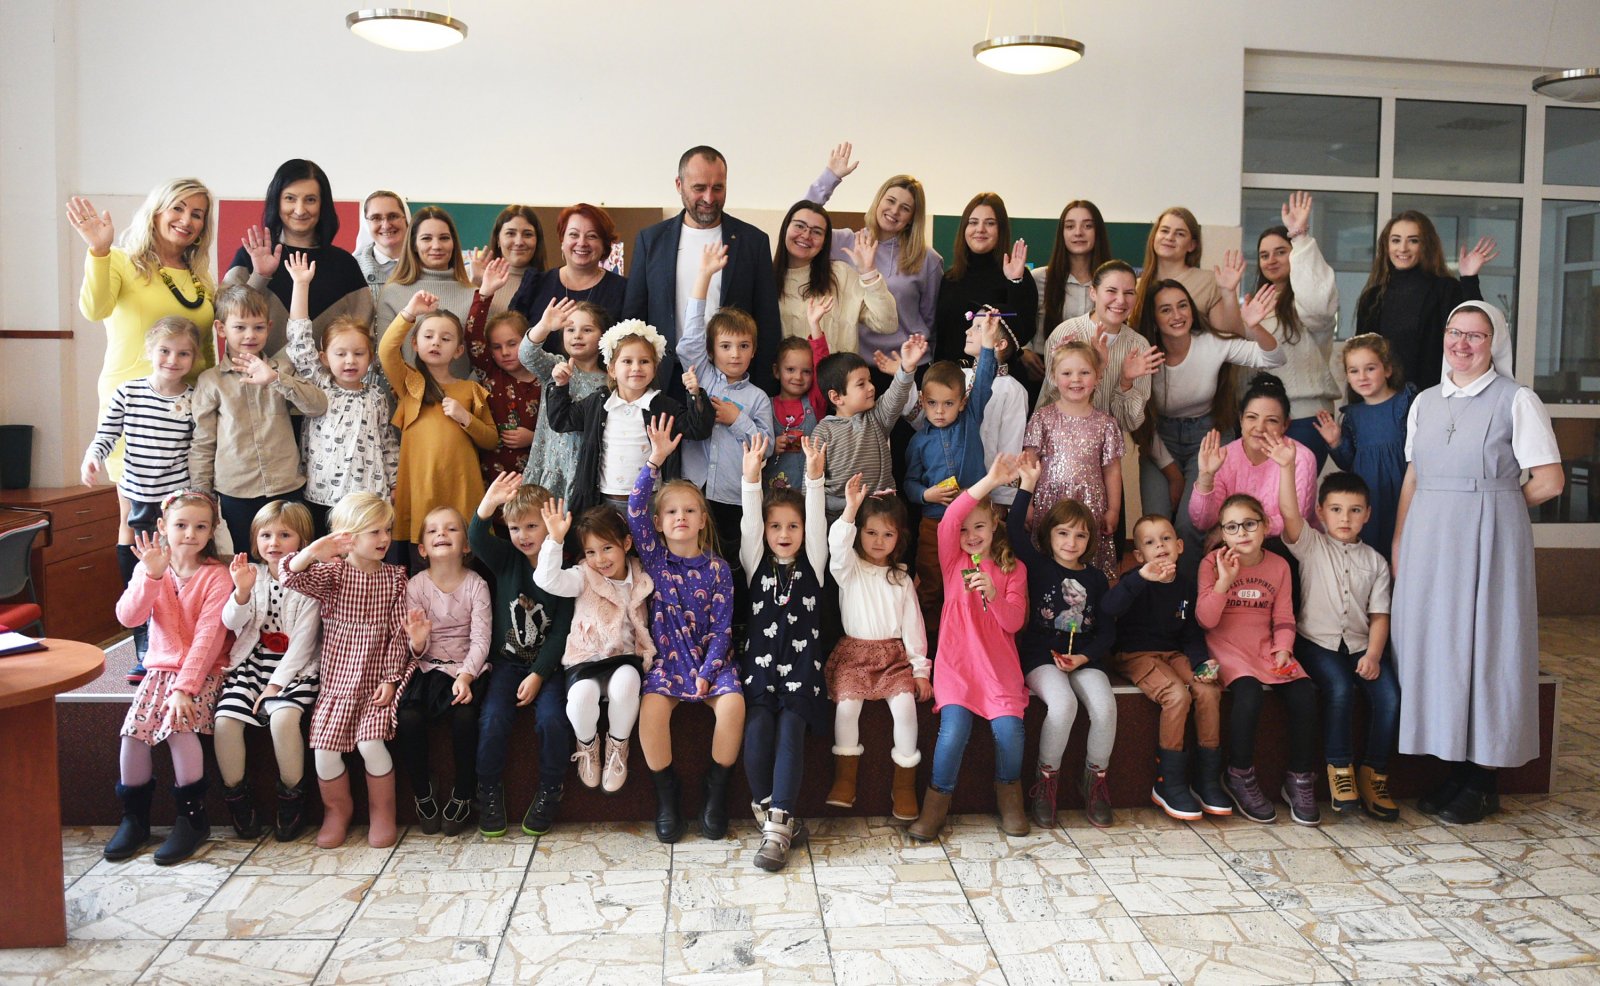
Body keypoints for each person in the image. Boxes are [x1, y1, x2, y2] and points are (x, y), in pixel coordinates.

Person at [1393, 301, 1562, 825]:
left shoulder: (1517, 400)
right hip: (1428, 539)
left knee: (1488, 648)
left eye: (1475, 335)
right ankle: (1454, 768)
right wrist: (1400, 540)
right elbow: (1414, 476)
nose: (1461, 344)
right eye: (1454, 332)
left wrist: (1495, 507)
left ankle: (1483, 780)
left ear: (1495, 343)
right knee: (1440, 648)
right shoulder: (1424, 401)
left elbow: (1549, 480)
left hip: (1490, 540)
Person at [71, 179, 219, 681]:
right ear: (156, 211)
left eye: (198, 214)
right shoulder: (119, 261)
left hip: (185, 413)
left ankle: (183, 633)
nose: (187, 220)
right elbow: (93, 309)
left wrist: (211, 405)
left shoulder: (200, 280)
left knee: (184, 524)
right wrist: (97, 250)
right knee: (137, 523)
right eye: (178, 208)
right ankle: (144, 641)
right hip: (134, 409)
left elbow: (206, 350)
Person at [102, 491, 232, 865]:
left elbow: (208, 639)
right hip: (158, 670)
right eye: (181, 525)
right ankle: (134, 819)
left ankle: (192, 820)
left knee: (179, 727)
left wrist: (184, 689)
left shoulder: (217, 577)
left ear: (212, 530)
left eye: (200, 526)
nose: (190, 533)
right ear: (162, 526)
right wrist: (152, 575)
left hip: (201, 673)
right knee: (133, 733)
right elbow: (128, 617)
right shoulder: (151, 567)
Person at [629, 419, 743, 844]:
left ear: (701, 521)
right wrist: (654, 461)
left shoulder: (718, 569)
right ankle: (667, 795)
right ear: (659, 523)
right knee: (652, 711)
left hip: (713, 661)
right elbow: (635, 509)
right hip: (668, 662)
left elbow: (723, 628)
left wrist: (710, 671)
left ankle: (716, 792)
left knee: (733, 706)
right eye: (672, 512)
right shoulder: (656, 560)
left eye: (690, 511)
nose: (681, 517)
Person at [1271, 443, 1398, 821]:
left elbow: (1380, 615)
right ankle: (1340, 770)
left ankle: (1374, 773)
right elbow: (1288, 512)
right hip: (1317, 644)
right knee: (1339, 689)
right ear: (1321, 512)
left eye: (1355, 510)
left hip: (1360, 645)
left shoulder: (1375, 562)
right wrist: (1286, 467)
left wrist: (1374, 655)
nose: (1345, 518)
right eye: (1337, 509)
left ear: (1367, 514)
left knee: (1389, 697)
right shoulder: (1311, 545)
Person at [282, 493, 414, 850]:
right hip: (337, 684)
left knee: (371, 744)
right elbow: (291, 578)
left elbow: (399, 634)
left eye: (387, 530)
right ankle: (336, 812)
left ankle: (382, 812)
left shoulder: (395, 578)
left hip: (375, 683)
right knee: (325, 751)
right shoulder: (333, 574)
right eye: (375, 531)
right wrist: (313, 552)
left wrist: (390, 679)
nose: (385, 538)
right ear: (348, 537)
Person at [908, 455, 1031, 841]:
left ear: (995, 524)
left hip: (998, 671)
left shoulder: (1014, 569)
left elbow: (1014, 622)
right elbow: (949, 519)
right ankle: (935, 805)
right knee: (953, 731)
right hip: (957, 668)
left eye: (979, 526)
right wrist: (990, 480)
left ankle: (1009, 797)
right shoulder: (953, 561)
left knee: (1009, 732)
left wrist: (994, 594)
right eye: (965, 530)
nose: (971, 534)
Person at [81, 318, 203, 683]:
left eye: (183, 353)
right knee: (142, 574)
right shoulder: (128, 392)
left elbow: (199, 448)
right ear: (150, 351)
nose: (173, 360)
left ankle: (174, 646)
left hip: (176, 500)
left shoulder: (193, 398)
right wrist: (92, 458)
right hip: (138, 496)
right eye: (165, 351)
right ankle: (143, 646)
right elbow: (106, 434)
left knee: (174, 573)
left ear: (194, 357)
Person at [1196, 494, 1319, 826]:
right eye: (1232, 527)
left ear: (1265, 525)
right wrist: (1224, 581)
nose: (1242, 533)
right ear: (1222, 533)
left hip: (1266, 646)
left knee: (1304, 694)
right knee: (1249, 694)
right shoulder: (1211, 563)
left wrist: (1283, 649)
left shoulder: (1279, 566)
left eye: (1249, 524)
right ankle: (1239, 774)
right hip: (1227, 645)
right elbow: (1206, 620)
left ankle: (1299, 778)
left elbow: (1284, 617)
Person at [738, 435, 830, 871]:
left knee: (791, 731)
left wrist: (815, 477)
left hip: (802, 671)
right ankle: (773, 813)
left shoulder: (815, 563)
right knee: (757, 731)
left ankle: (777, 829)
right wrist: (750, 479)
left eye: (792, 526)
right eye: (776, 526)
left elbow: (817, 521)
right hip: (759, 672)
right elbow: (749, 524)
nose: (784, 534)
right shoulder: (755, 562)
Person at [1010, 461, 1117, 830]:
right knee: (1064, 704)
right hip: (1041, 657)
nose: (1071, 542)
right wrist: (1027, 485)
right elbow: (1013, 529)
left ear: (1090, 541)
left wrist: (1084, 657)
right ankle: (1045, 781)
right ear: (1049, 535)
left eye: (1080, 535)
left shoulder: (1096, 579)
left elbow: (1107, 633)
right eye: (1063, 533)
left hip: (1085, 658)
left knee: (1105, 707)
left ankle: (1094, 780)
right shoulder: (1039, 566)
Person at [1139, 280, 1285, 549]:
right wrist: (1174, 476)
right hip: (1158, 438)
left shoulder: (1210, 343)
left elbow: (1274, 358)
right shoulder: (1143, 353)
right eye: (1166, 309)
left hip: (1208, 436)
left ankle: (1196, 579)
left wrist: (1253, 327)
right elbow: (1141, 422)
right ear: (1154, 318)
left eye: (1183, 306)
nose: (1177, 315)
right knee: (1155, 527)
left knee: (1190, 525)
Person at [623, 146, 782, 391]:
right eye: (699, 188)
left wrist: (762, 388)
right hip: (665, 379)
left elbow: (767, 321)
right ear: (679, 185)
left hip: (732, 383)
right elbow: (633, 317)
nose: (709, 198)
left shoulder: (753, 241)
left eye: (718, 188)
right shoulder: (651, 241)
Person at [1103, 515, 1227, 820]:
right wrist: (1140, 578)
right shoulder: (1134, 580)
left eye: (1166, 539)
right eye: (1150, 542)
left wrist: (1201, 663)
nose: (1159, 546)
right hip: (1136, 654)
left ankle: (1207, 779)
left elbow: (1191, 633)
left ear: (1180, 546)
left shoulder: (1185, 586)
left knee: (1208, 691)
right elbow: (1109, 607)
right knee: (1176, 696)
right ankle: (1168, 782)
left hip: (1173, 654)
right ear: (1139, 555)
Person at [469, 475, 572, 838]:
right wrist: (488, 504)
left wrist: (540, 673)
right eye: (515, 528)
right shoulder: (507, 560)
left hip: (549, 667)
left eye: (532, 526)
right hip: (508, 664)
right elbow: (476, 538)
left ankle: (551, 788)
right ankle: (487, 790)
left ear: (549, 524)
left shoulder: (563, 570)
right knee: (493, 718)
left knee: (552, 719)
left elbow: (561, 630)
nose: (523, 535)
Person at [190, 285, 327, 552]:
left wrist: (275, 379)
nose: (250, 335)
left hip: (286, 485)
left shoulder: (283, 370)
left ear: (269, 328)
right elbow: (203, 442)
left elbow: (317, 406)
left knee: (291, 558)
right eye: (240, 327)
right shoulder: (211, 381)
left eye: (258, 327)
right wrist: (202, 493)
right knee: (247, 557)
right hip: (237, 490)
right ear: (221, 329)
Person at [216, 501, 320, 842]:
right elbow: (231, 623)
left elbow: (303, 644)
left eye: (284, 535)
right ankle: (237, 796)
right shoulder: (253, 575)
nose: (273, 542)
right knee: (226, 721)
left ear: (303, 541)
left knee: (283, 719)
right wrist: (242, 592)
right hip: (252, 664)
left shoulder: (310, 581)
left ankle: (292, 796)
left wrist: (275, 687)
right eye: (265, 535)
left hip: (295, 670)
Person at [826, 476, 928, 821]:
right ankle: (845, 779)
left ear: (899, 537)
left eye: (887, 534)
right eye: (871, 532)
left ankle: (904, 785)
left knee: (905, 708)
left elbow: (914, 628)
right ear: (859, 533)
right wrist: (850, 510)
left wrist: (920, 670)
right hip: (854, 656)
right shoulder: (849, 569)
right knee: (846, 707)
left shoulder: (901, 578)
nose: (878, 541)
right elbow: (837, 545)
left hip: (892, 659)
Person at [534, 499, 652, 797]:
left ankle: (618, 746)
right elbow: (547, 580)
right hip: (585, 660)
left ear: (626, 543)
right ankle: (587, 745)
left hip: (623, 658)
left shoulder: (641, 577)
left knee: (626, 685)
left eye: (607, 548)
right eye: (591, 552)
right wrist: (555, 539)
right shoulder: (583, 575)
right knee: (580, 698)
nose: (600, 559)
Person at [544, 319, 712, 519]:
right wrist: (560, 385)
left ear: (654, 368)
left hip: (652, 500)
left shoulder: (664, 406)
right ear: (612, 370)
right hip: (604, 500)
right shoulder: (599, 403)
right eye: (627, 361)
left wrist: (694, 393)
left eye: (644, 361)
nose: (636, 367)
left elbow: (698, 428)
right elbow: (561, 420)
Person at [679, 243, 775, 589]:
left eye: (744, 346)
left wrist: (738, 420)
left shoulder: (758, 398)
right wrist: (704, 275)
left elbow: (768, 448)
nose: (735, 354)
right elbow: (691, 337)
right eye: (725, 346)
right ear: (711, 351)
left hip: (735, 497)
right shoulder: (702, 375)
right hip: (697, 491)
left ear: (754, 350)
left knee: (733, 568)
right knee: (695, 563)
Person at [282, 254, 398, 539]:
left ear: (370, 358)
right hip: (324, 496)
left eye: (358, 354)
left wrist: (395, 483)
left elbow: (387, 442)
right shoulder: (319, 385)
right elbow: (299, 341)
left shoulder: (376, 396)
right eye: (341, 354)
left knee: (364, 556)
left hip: (368, 497)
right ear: (324, 358)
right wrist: (300, 285)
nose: (350, 361)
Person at [378, 291, 498, 563]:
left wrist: (465, 418)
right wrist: (410, 312)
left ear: (458, 350)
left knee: (466, 557)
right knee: (422, 557)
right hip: (421, 486)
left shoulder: (470, 389)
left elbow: (491, 439)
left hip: (461, 486)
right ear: (415, 343)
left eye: (445, 339)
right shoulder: (410, 383)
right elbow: (386, 351)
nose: (436, 342)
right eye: (428, 336)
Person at [394, 506, 490, 837]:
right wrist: (418, 642)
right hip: (427, 667)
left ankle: (464, 790)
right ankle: (422, 790)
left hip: (467, 668)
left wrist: (466, 676)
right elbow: (415, 647)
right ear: (422, 549)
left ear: (466, 544)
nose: (442, 534)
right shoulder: (416, 586)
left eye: (451, 529)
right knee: (408, 718)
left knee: (465, 718)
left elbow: (481, 639)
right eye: (433, 530)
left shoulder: (476, 585)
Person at [803, 143, 943, 365]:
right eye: (890, 201)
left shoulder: (928, 259)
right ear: (878, 201)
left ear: (912, 218)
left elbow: (931, 322)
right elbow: (800, 220)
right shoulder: (844, 242)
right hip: (854, 366)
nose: (894, 211)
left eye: (905, 208)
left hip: (906, 366)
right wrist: (830, 178)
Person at [905, 317, 999, 639]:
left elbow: (983, 380)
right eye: (932, 403)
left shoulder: (970, 420)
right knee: (932, 585)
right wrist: (925, 495)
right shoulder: (918, 441)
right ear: (922, 401)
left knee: (972, 580)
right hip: (934, 523)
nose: (940, 411)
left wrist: (988, 343)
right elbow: (909, 483)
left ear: (962, 402)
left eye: (948, 404)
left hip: (972, 523)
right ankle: (932, 645)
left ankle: (971, 638)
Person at [225, 159, 372, 355]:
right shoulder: (250, 256)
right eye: (290, 198)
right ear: (277, 201)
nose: (300, 210)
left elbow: (362, 333)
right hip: (254, 373)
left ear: (322, 205)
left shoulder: (345, 265)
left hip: (322, 375)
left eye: (310, 200)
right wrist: (259, 276)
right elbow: (225, 317)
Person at [1356, 212, 1501, 392]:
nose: (1403, 248)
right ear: (1386, 245)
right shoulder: (1372, 298)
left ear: (1426, 245)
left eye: (1413, 240)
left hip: (1434, 396)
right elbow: (1360, 356)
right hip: (1382, 400)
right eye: (1396, 240)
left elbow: (1475, 329)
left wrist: (1469, 279)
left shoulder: (1445, 289)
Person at [1253, 192, 1341, 470]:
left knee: (1297, 492)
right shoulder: (1256, 305)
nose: (1271, 260)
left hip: (1306, 416)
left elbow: (1318, 306)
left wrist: (1300, 237)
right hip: (1264, 417)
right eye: (1264, 255)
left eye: (1281, 251)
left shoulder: (1307, 301)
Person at [1023, 340, 1124, 580]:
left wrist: (1113, 509)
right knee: (1048, 563)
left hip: (1090, 504)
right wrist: (1027, 504)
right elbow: (1029, 463)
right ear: (1053, 377)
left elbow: (1112, 471)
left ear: (1097, 376)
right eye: (1067, 373)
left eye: (1084, 373)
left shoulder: (1106, 424)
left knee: (1086, 561)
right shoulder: (1042, 418)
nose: (1076, 379)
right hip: (1049, 503)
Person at [1188, 373, 1315, 544]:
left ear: (1285, 425)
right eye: (1251, 417)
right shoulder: (1223, 457)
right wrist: (1206, 476)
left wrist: (1235, 526)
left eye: (1271, 420)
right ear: (1241, 420)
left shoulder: (1301, 457)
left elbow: (1296, 524)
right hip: (1237, 541)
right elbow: (1202, 523)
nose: (1259, 428)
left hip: (1285, 544)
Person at [1317, 334, 1414, 559]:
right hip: (1369, 496)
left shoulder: (1404, 404)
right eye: (1354, 371)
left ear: (1387, 370)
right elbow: (1349, 463)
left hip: (1401, 493)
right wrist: (1335, 442)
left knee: (1402, 549)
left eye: (1370, 368)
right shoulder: (1353, 415)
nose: (1362, 377)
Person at [1036, 260, 1162, 429]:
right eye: (1111, 291)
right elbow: (1051, 401)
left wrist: (1126, 383)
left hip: (1115, 441)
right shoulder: (1067, 334)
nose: (1121, 300)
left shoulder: (1138, 345)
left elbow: (1129, 424)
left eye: (1129, 293)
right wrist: (1096, 366)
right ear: (1093, 293)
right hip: (1063, 436)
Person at [812, 335, 926, 518]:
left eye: (870, 381)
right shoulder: (823, 431)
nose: (871, 387)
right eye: (861, 384)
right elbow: (811, 484)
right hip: (839, 519)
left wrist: (907, 367)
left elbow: (897, 393)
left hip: (881, 515)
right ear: (836, 397)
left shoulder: (877, 417)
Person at [773, 199, 897, 356]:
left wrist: (869, 273)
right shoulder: (765, 278)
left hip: (839, 372)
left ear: (825, 242)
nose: (806, 235)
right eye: (799, 226)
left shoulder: (841, 275)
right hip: (783, 372)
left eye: (817, 232)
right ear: (785, 228)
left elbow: (887, 324)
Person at [518, 299, 611, 504]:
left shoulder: (611, 380)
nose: (577, 335)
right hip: (551, 467)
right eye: (570, 330)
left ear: (603, 336)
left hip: (587, 474)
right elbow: (527, 355)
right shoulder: (556, 365)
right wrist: (544, 326)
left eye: (587, 330)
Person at [932, 193, 1037, 364]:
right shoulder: (950, 278)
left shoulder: (1016, 275)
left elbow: (1024, 332)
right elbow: (942, 338)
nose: (980, 229)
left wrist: (1015, 282)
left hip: (997, 377)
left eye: (990, 223)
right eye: (973, 222)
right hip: (951, 377)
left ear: (1001, 230)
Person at [376, 206, 479, 380]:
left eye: (444, 238)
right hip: (409, 394)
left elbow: (485, 361)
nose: (436, 246)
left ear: (454, 243)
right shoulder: (393, 293)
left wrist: (465, 393)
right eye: (426, 238)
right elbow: (385, 357)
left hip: (463, 396)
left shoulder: (475, 295)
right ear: (414, 245)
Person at [1023, 200, 1112, 397]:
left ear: (1097, 232)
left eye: (1087, 226)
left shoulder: (1110, 282)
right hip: (1044, 375)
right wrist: (1025, 351)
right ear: (1061, 233)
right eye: (1070, 226)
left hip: (1095, 376)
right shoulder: (1040, 278)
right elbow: (1022, 321)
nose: (1078, 232)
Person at [465, 258, 543, 483]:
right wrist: (485, 293)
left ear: (527, 341)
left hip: (534, 480)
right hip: (492, 478)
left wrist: (533, 438)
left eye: (512, 344)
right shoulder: (490, 372)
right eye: (497, 347)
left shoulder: (546, 378)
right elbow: (472, 334)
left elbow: (560, 431)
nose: (505, 352)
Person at [509, 203, 626, 332]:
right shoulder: (536, 284)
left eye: (592, 236)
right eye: (573, 235)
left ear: (604, 245)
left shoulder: (623, 290)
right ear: (562, 241)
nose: (582, 243)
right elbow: (512, 334)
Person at [1132, 207, 1244, 336]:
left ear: (1192, 245)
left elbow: (1227, 336)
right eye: (1164, 231)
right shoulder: (1136, 285)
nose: (1169, 237)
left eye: (1180, 234)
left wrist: (1229, 293)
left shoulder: (1208, 281)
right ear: (1153, 237)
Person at [764, 320, 829, 492]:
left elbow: (822, 366)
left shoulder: (815, 403)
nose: (798, 377)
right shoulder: (764, 405)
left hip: (810, 494)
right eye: (790, 369)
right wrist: (771, 447)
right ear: (777, 371)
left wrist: (815, 326)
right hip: (773, 497)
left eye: (806, 371)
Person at [474, 205, 547, 316]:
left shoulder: (548, 283)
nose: (519, 242)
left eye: (528, 234)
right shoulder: (475, 277)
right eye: (510, 233)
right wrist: (476, 286)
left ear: (537, 241)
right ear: (498, 240)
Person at [354, 190, 409, 303]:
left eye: (393, 216)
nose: (386, 225)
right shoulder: (350, 270)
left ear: (407, 219)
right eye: (376, 218)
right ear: (366, 223)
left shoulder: (429, 265)